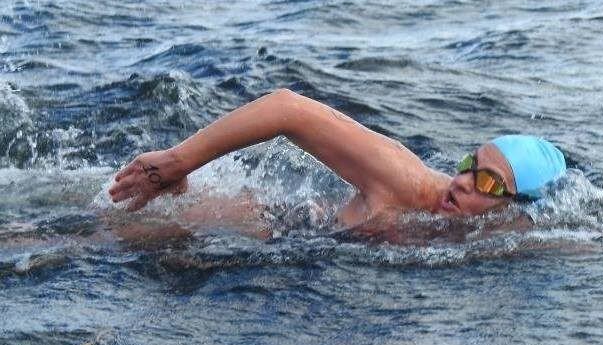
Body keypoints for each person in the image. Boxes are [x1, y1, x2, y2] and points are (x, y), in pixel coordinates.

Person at [108, 88, 566, 234]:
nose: (463, 182)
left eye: (486, 183)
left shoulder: (511, 235)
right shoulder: (409, 183)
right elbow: (288, 108)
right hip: (251, 228)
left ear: (515, 207)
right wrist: (174, 163)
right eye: (470, 164)